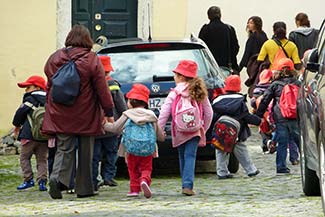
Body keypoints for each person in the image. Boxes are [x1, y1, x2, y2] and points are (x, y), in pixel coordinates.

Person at [43, 24, 115, 199]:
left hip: (61, 111)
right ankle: (84, 189)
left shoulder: (54, 57)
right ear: (87, 40)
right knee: (86, 151)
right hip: (86, 113)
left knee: (64, 148)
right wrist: (109, 111)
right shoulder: (91, 59)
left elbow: (49, 85)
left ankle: (56, 177)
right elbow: (102, 88)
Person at [158, 60, 213, 196]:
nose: (174, 78)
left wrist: (159, 131)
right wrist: (203, 129)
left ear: (181, 76)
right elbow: (209, 113)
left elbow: (164, 114)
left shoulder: (174, 93)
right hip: (195, 130)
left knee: (182, 156)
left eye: (175, 75)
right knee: (190, 156)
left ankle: (185, 183)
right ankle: (188, 185)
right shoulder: (199, 91)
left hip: (179, 130)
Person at [104, 84, 165, 198]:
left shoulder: (127, 114)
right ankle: (144, 180)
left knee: (132, 169)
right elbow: (159, 134)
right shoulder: (151, 115)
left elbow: (115, 128)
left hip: (130, 148)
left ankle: (134, 190)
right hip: (148, 149)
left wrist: (103, 125)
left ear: (131, 102)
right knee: (146, 168)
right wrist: (162, 137)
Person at [211, 75, 261, 179]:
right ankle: (251, 170)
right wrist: (259, 121)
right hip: (237, 132)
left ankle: (222, 172)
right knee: (241, 150)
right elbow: (246, 116)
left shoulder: (217, 101)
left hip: (221, 131)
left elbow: (213, 117)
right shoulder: (240, 101)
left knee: (220, 150)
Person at [256, 58, 300, 174]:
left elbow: (265, 100)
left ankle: (281, 167)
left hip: (280, 118)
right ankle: (306, 164)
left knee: (282, 143)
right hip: (295, 117)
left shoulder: (275, 85)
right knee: (299, 141)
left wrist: (258, 115)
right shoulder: (298, 83)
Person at [92, 56, 127, 191]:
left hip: (95, 127)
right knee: (111, 152)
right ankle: (108, 176)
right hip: (112, 126)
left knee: (94, 155)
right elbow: (121, 105)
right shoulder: (113, 85)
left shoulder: (91, 83)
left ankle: (93, 178)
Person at [12, 75, 48, 191]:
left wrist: (16, 125)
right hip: (44, 135)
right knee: (42, 159)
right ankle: (42, 182)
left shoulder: (30, 99)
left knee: (24, 157)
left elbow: (20, 113)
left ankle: (28, 180)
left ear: (37, 87)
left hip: (29, 135)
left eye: (28, 87)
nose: (26, 90)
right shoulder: (49, 99)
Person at [198, 6, 240, 74]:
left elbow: (200, 50)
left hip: (210, 69)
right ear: (220, 15)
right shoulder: (229, 29)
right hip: (227, 68)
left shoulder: (205, 30)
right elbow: (236, 48)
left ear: (208, 16)